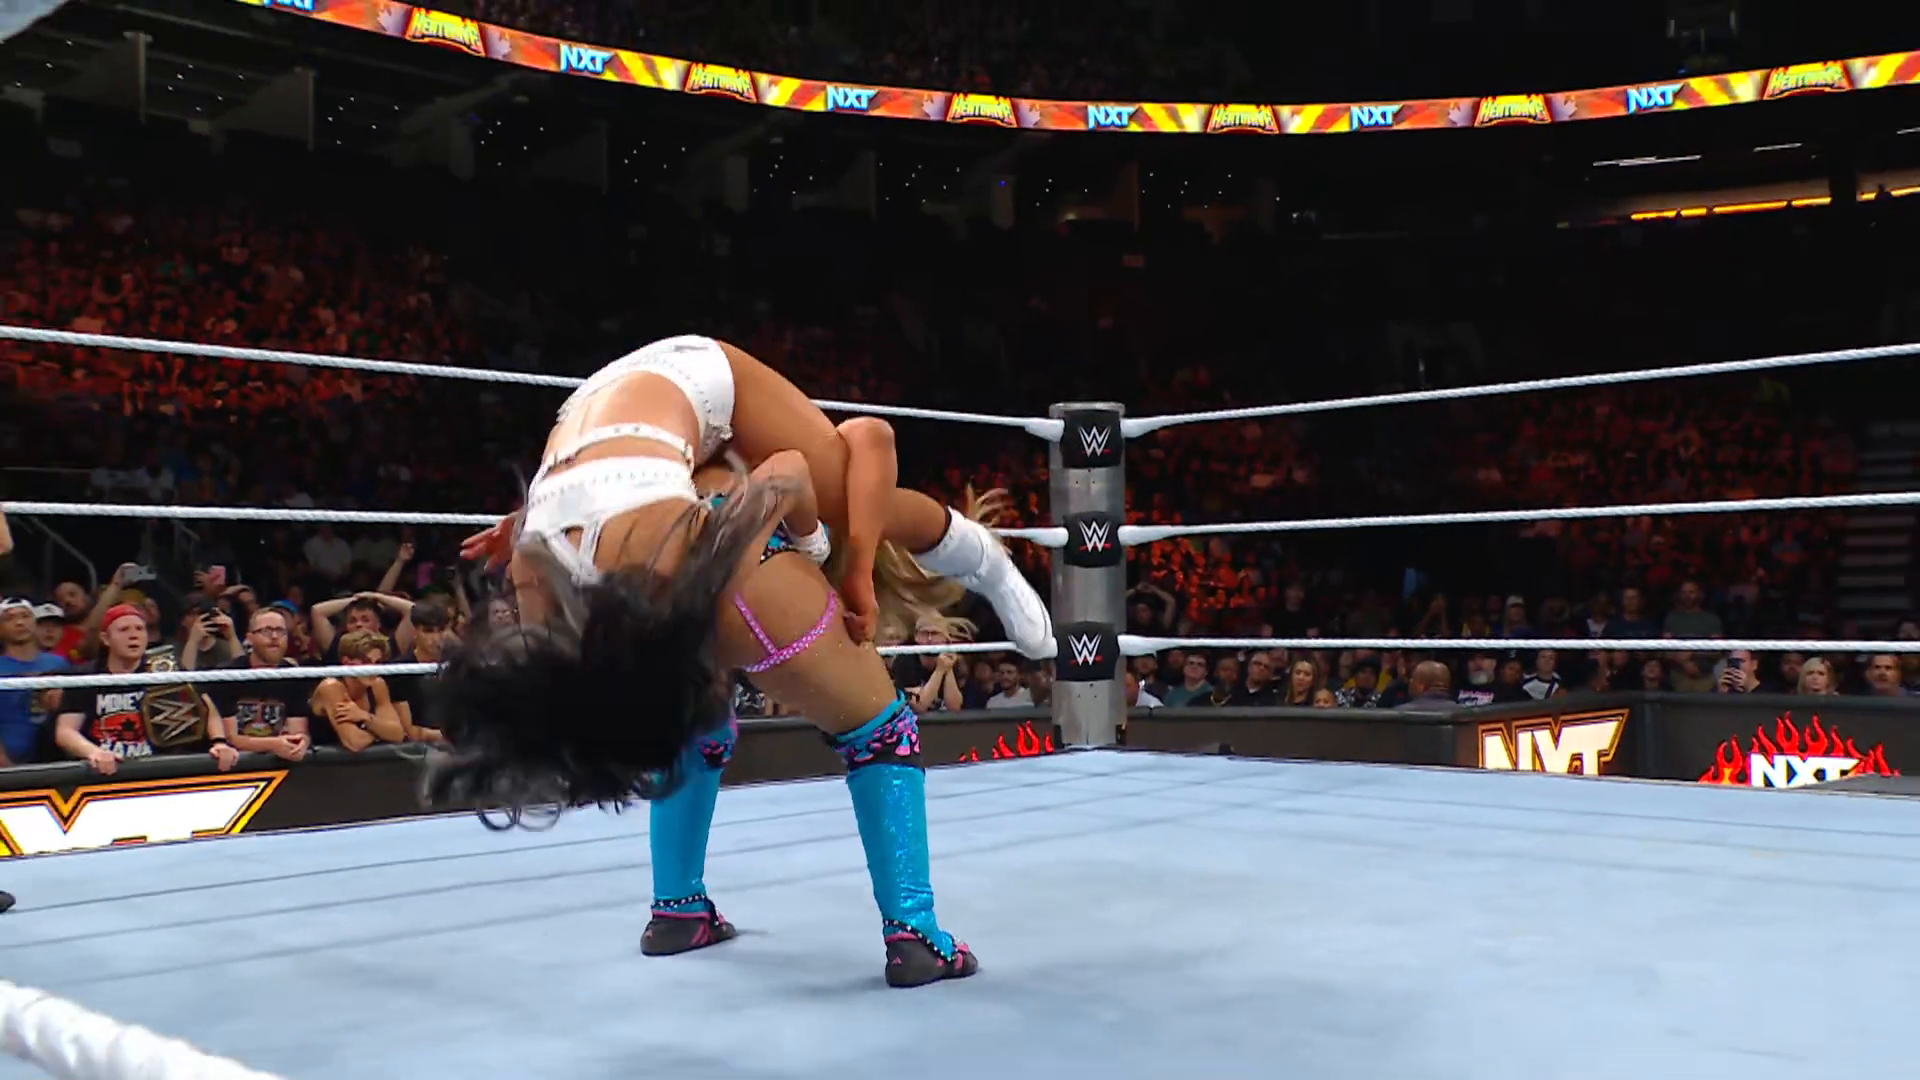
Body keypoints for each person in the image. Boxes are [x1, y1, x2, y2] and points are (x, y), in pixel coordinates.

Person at [426, 451, 978, 989]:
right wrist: (817, 544)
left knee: (694, 717)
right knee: (883, 731)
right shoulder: (745, 421)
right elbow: (798, 465)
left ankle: (677, 908)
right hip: (744, 559)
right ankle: (914, 932)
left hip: (632, 582)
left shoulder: (619, 448)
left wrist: (525, 520)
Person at [457, 333, 1051, 655]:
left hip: (694, 382)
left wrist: (845, 565)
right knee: (843, 506)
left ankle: (986, 560)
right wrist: (529, 516)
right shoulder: (543, 570)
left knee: (849, 503)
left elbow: (869, 438)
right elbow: (596, 480)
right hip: (606, 420)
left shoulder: (681, 552)